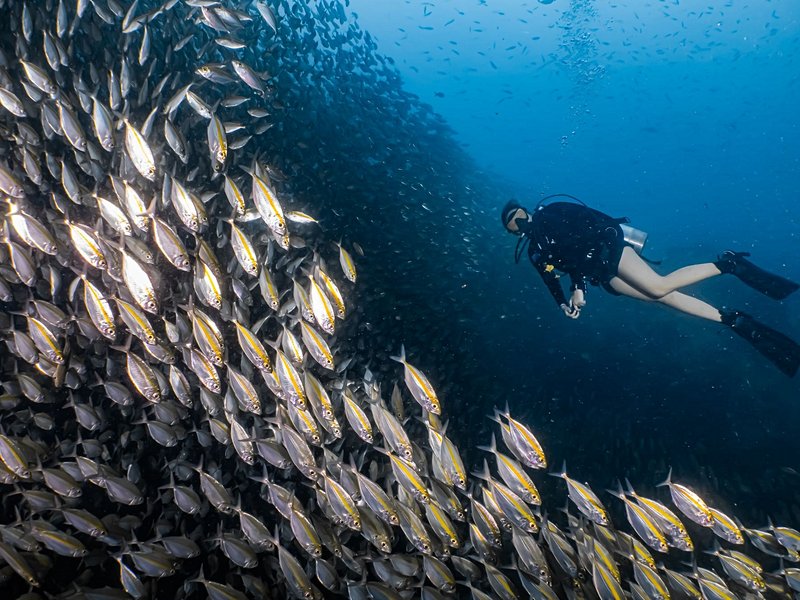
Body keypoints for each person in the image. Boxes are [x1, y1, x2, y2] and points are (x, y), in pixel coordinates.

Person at [501, 196, 800, 376]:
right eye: (513, 225)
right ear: (513, 233)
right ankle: (730, 319)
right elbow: (551, 278)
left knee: (658, 287)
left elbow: (589, 233)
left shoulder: (553, 212)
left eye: (519, 217)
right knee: (663, 298)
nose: (520, 223)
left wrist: (578, 286)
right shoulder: (535, 252)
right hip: (603, 275)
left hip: (610, 250)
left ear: (526, 211)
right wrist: (565, 302)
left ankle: (727, 264)